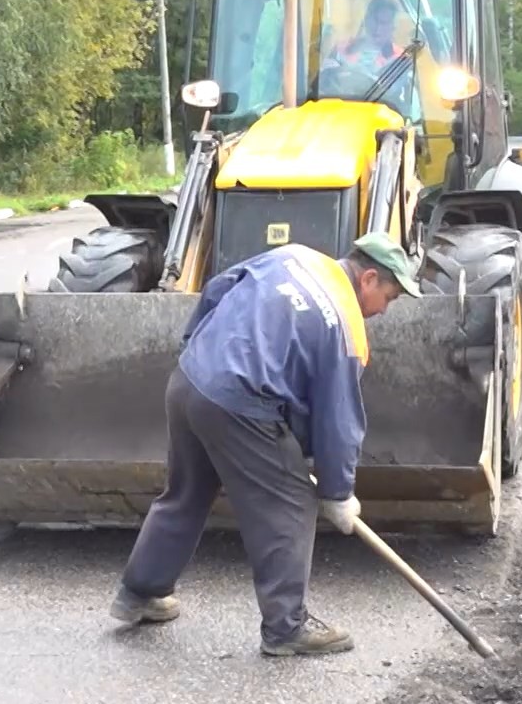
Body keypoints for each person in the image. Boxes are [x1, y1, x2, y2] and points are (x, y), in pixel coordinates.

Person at [110, 233, 421, 657]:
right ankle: (286, 628)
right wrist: (337, 492)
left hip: (190, 379)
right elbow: (338, 418)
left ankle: (139, 593)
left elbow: (219, 288)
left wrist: (195, 348)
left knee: (186, 492)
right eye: (390, 296)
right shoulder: (348, 329)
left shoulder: (293, 257)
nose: (384, 310)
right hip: (239, 402)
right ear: (368, 278)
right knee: (291, 501)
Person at [329, 0, 405, 78]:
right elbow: (325, 79)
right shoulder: (341, 49)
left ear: (393, 27)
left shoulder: (399, 58)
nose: (377, 28)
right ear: (366, 20)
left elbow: (394, 88)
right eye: (375, 21)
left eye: (384, 23)